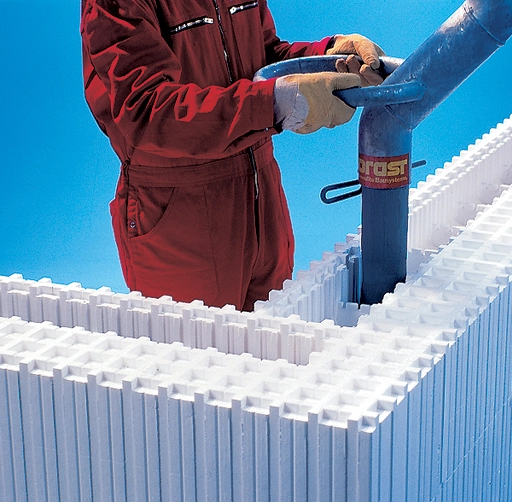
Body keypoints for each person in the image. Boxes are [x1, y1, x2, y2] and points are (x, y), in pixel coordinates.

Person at [81, 0, 384, 311]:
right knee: (191, 353)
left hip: (262, 204)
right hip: (180, 220)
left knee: (271, 349)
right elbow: (146, 109)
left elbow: (263, 58)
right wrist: (273, 104)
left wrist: (327, 56)